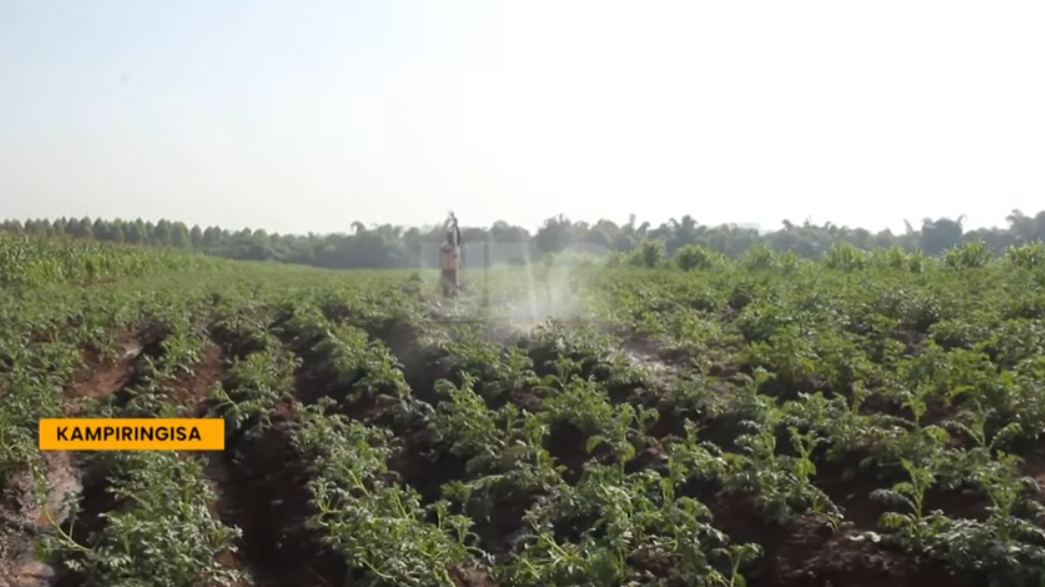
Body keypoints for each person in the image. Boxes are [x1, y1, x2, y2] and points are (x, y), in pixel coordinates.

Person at [439, 231, 460, 297]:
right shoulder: (444, 245)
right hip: (445, 266)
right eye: (449, 237)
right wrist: (452, 246)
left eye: (451, 237)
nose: (450, 238)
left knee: (453, 281)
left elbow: (459, 238)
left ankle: (454, 293)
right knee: (446, 281)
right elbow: (446, 250)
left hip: (453, 266)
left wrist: (457, 228)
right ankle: (446, 294)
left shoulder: (455, 245)